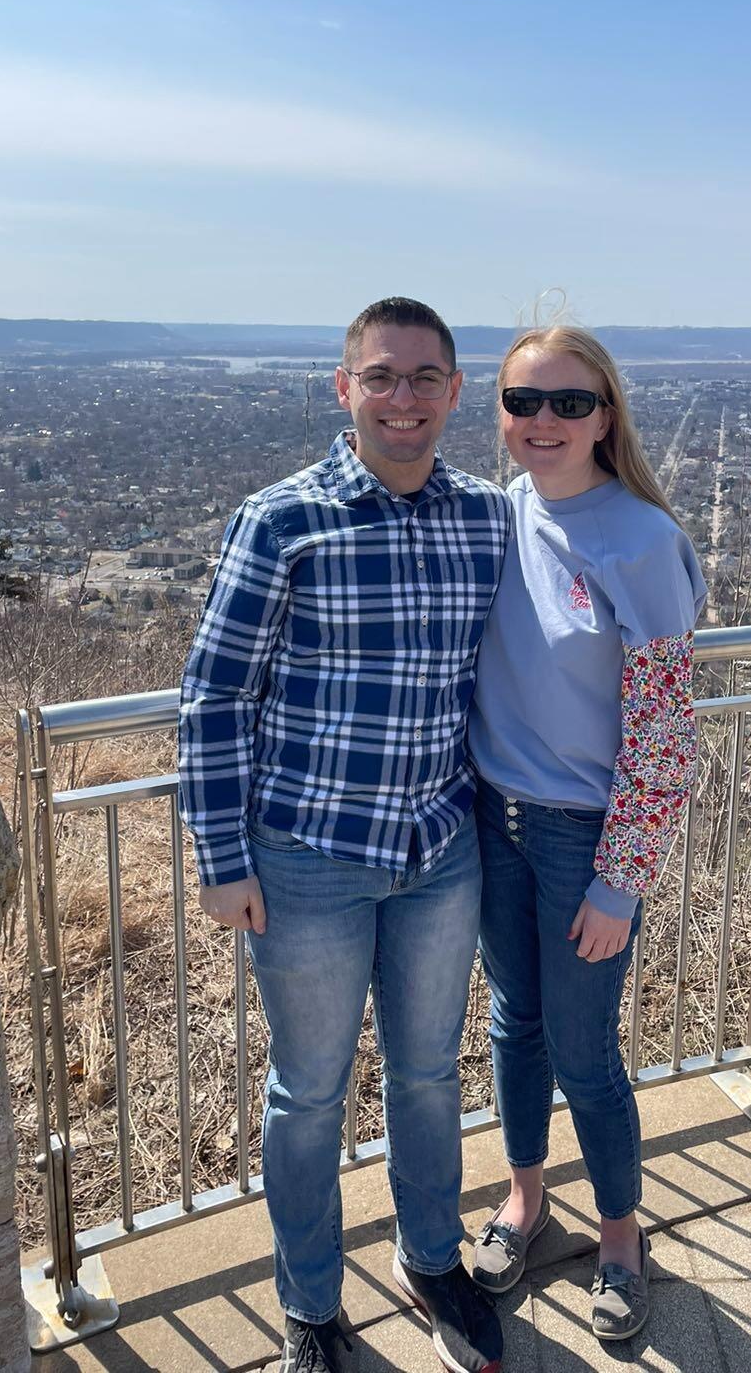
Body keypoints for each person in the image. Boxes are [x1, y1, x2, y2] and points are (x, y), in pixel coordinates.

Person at [178, 297, 509, 1373]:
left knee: (429, 1075)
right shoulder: (282, 520)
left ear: (454, 392)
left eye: (424, 378)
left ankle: (432, 1258)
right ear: (345, 388)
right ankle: (311, 1305)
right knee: (311, 1092)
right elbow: (216, 696)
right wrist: (221, 859)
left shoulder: (485, 519)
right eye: (381, 376)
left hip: (439, 853)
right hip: (308, 859)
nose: (402, 398)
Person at [468, 323, 705, 1342]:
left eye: (570, 402)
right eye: (524, 401)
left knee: (584, 1051)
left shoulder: (640, 541)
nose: (545, 420)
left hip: (581, 839)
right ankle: (526, 1199)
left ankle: (619, 1236)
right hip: (491, 820)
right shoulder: (502, 512)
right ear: (501, 414)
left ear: (606, 416)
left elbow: (664, 732)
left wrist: (620, 882)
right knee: (512, 1026)